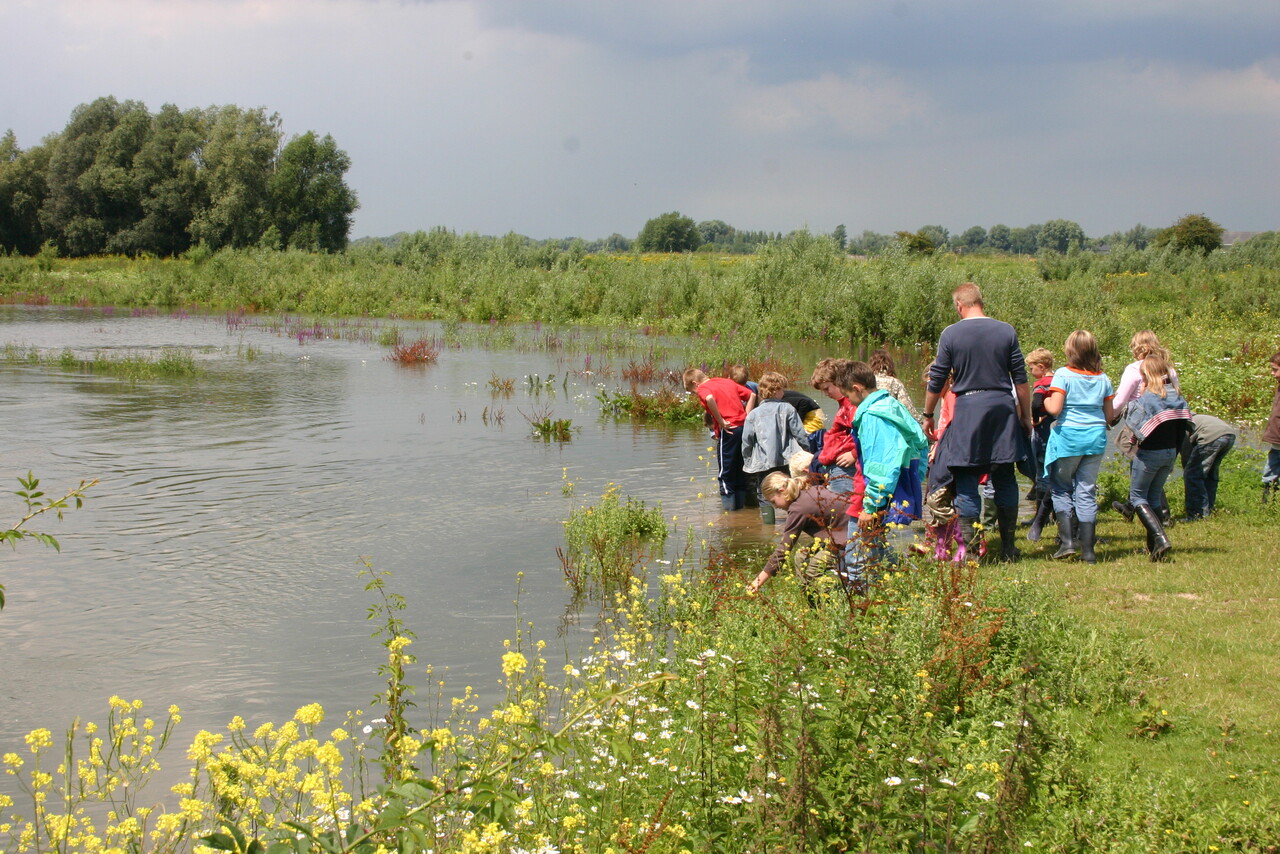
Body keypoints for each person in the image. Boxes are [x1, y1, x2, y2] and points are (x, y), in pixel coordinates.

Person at [922, 282, 1032, 562]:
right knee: (1005, 475)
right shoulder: (1006, 330)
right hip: (1002, 406)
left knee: (967, 478)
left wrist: (927, 415)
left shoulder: (951, 334)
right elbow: (1020, 378)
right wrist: (1025, 415)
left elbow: (937, 379)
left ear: (959, 305)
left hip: (969, 408)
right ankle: (1008, 549)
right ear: (980, 301)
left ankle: (970, 552)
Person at [840, 360, 928, 588]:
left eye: (848, 395)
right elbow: (920, 443)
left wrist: (870, 507)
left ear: (857, 388)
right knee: (876, 547)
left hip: (880, 492)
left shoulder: (872, 415)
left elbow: (881, 463)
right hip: (898, 486)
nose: (848, 401)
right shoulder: (891, 405)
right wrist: (914, 481)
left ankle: (861, 606)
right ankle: (893, 589)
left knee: (857, 553)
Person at [1041, 330, 1114, 563]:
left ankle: (1068, 543)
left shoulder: (1063, 374)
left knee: (1062, 488)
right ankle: (1089, 552)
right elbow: (1109, 416)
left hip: (1069, 438)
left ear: (1070, 351)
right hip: (1095, 438)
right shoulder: (1103, 378)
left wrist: (1044, 398)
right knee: (1086, 491)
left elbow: (1054, 409)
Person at [1123, 354, 1191, 560]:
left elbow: (1133, 430)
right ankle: (1155, 550)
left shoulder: (1148, 400)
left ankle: (1160, 538)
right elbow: (1183, 431)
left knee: (1136, 497)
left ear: (1145, 376)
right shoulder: (1178, 398)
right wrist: (1173, 457)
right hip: (1170, 453)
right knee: (1153, 497)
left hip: (1149, 455)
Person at [1111, 331, 1181, 523]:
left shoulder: (1134, 369)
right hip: (1166, 424)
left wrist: (1108, 417)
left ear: (1136, 346)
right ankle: (1133, 508)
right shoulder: (1168, 368)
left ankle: (1158, 514)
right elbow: (1175, 394)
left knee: (1144, 464)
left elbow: (1119, 401)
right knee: (1147, 467)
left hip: (1141, 424)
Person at [747, 472, 851, 595]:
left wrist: (758, 581)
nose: (775, 507)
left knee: (814, 569)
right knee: (801, 556)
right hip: (836, 535)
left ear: (781, 491)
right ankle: (808, 596)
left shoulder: (798, 508)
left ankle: (825, 603)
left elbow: (784, 549)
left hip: (848, 538)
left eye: (774, 502)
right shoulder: (805, 490)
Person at [683, 368, 757, 510]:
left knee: (726, 472)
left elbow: (709, 398)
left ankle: (729, 513)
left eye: (693, 391)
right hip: (743, 429)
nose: (695, 394)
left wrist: (720, 420)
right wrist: (746, 417)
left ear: (695, 383)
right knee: (740, 469)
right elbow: (752, 395)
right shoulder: (726, 382)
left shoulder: (703, 387)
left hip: (729, 430)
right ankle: (740, 510)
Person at [741, 372, 809, 522]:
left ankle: (768, 525)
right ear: (776, 390)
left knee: (764, 491)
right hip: (787, 458)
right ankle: (796, 520)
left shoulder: (753, 414)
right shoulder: (788, 408)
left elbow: (746, 440)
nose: (784, 393)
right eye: (782, 390)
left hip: (762, 460)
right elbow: (799, 434)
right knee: (791, 487)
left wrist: (747, 459)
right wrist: (807, 451)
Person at [811, 358, 862, 497]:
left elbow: (865, 433)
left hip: (846, 468)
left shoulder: (852, 404)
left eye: (827, 389)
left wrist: (854, 453)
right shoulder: (844, 404)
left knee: (842, 510)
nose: (826, 394)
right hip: (838, 465)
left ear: (839, 381)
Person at [1180, 412, 1238, 521]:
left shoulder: (1181, 424)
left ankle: (1197, 514)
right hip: (1229, 435)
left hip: (1211, 436)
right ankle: (1208, 509)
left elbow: (1186, 454)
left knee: (1193, 475)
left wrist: (1187, 470)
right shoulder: (1196, 418)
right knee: (1210, 474)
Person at [1026, 348, 1057, 542]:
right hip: (1057, 428)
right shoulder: (1060, 380)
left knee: (1042, 472)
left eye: (1031, 368)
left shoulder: (1042, 383)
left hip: (1043, 430)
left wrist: (1035, 419)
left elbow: (1036, 403)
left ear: (1041, 366)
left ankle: (1040, 517)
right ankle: (1054, 514)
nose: (1030, 373)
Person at [870, 347, 923, 424]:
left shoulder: (866, 381)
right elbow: (907, 407)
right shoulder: (894, 382)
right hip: (889, 423)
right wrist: (922, 421)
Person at [1262, 351, 1280, 505]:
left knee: (1272, 469)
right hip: (1276, 441)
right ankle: (1268, 502)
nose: (1272, 373)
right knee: (1271, 471)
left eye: (1275, 370)